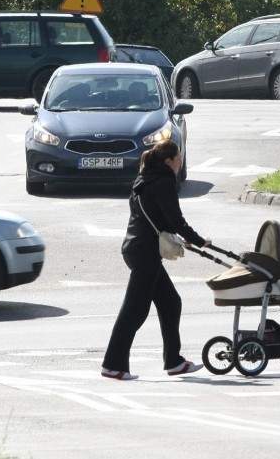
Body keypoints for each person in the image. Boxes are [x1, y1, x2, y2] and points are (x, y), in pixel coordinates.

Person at [102, 139, 211, 380]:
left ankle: (174, 361)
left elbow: (158, 216)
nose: (180, 163)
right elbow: (175, 219)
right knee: (134, 311)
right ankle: (113, 365)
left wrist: (185, 237)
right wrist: (198, 240)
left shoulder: (145, 178)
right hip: (145, 252)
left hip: (136, 248)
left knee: (171, 302)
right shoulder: (163, 181)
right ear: (168, 161)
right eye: (178, 159)